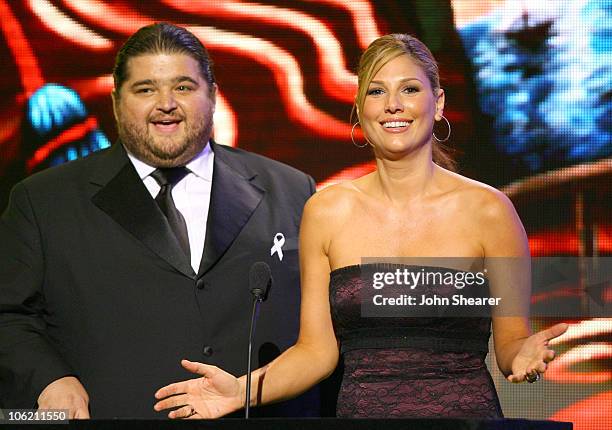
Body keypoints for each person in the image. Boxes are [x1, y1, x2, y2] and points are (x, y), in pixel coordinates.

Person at [153, 33, 569, 419]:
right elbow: (316, 352)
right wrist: (241, 391)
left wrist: (524, 355)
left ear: (437, 103)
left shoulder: (489, 210)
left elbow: (510, 344)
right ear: (359, 108)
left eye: (409, 89)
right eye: (376, 91)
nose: (393, 104)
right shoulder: (328, 210)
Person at [0, 23, 317, 418]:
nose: (166, 103)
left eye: (183, 87)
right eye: (145, 89)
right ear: (117, 101)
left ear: (213, 96)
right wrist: (49, 380)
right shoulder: (44, 201)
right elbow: (9, 315)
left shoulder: (291, 190)